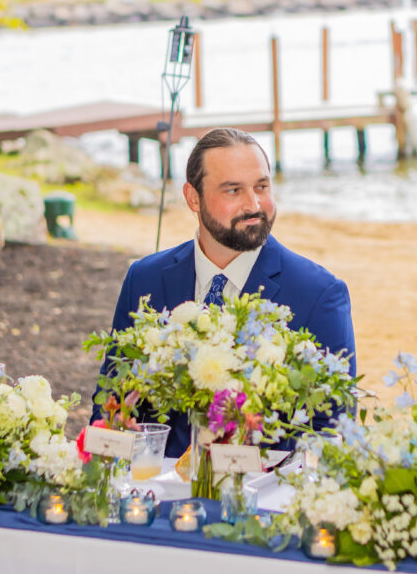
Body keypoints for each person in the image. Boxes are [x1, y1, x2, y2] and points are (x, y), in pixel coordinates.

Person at [93, 127, 357, 456]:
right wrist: (122, 428)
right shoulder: (144, 279)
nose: (254, 204)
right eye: (233, 190)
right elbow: (108, 407)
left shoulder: (318, 294)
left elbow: (332, 433)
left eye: (262, 186)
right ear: (193, 197)